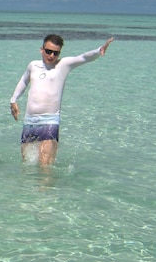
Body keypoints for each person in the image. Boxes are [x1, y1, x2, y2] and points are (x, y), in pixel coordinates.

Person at [10, 34, 115, 166]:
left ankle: (47, 186)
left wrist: (99, 51)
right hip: (30, 121)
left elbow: (82, 58)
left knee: (45, 166)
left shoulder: (63, 65)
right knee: (27, 164)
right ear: (41, 49)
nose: (52, 56)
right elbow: (24, 81)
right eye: (48, 51)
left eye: (56, 53)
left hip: (50, 120)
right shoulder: (33, 65)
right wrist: (13, 100)